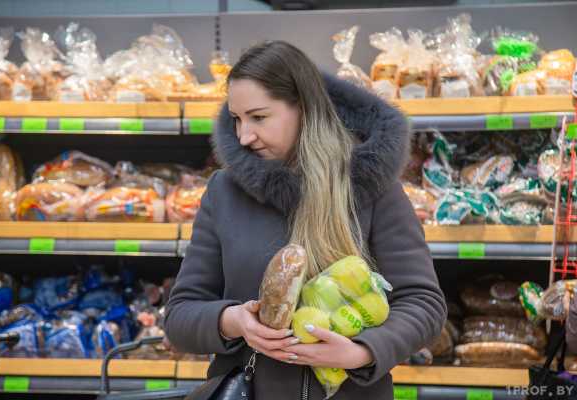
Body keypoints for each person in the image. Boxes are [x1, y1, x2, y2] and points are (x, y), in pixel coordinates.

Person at [163, 40, 447, 400]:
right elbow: (180, 314)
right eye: (236, 119)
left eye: (258, 117)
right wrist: (232, 321)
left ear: (303, 107)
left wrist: (362, 351)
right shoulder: (225, 191)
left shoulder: (371, 186)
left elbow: (423, 302)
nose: (244, 136)